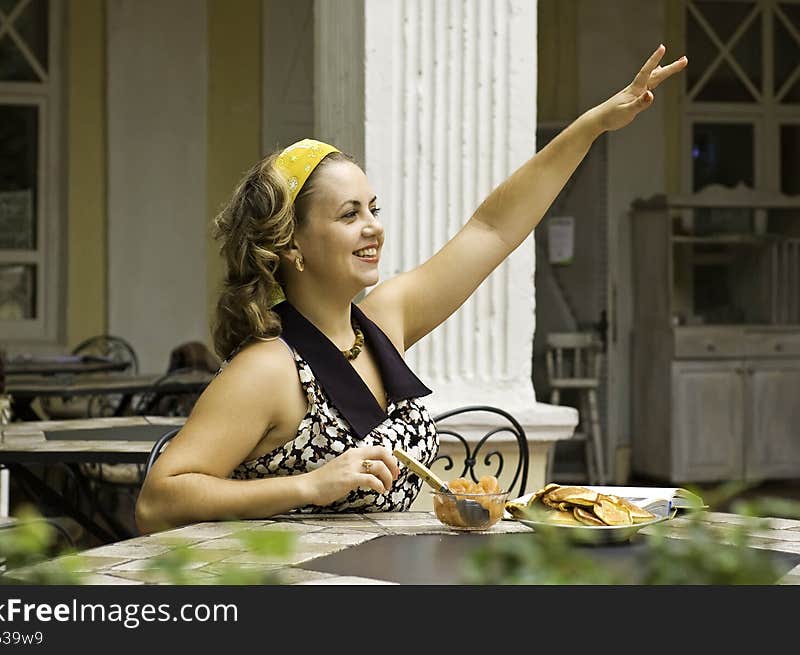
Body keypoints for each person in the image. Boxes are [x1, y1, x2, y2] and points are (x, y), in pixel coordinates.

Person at [135, 44, 687, 533]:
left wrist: (589, 127)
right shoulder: (266, 369)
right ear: (292, 246)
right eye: (349, 214)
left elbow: (492, 229)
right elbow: (158, 500)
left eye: (373, 209)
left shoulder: (383, 322)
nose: (373, 226)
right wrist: (308, 485)